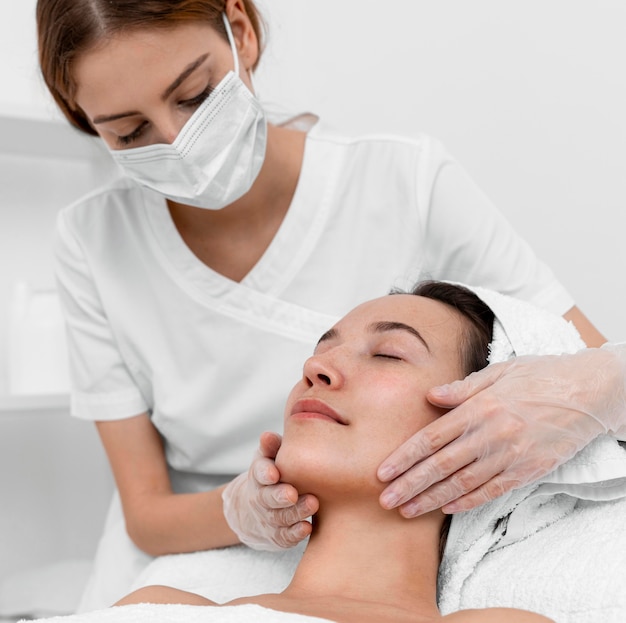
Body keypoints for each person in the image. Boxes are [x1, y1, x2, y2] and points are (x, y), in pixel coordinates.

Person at [35, 0, 626, 610]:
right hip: (198, 552)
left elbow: (582, 363)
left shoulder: (403, 179)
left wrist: (596, 387)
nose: (176, 142)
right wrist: (240, 510)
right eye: (129, 133)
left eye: (194, 94)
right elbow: (146, 512)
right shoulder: (92, 238)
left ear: (240, 31)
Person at [114, 283, 553, 622]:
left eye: (388, 355)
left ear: (481, 424)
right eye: (320, 352)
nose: (314, 368)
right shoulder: (157, 610)